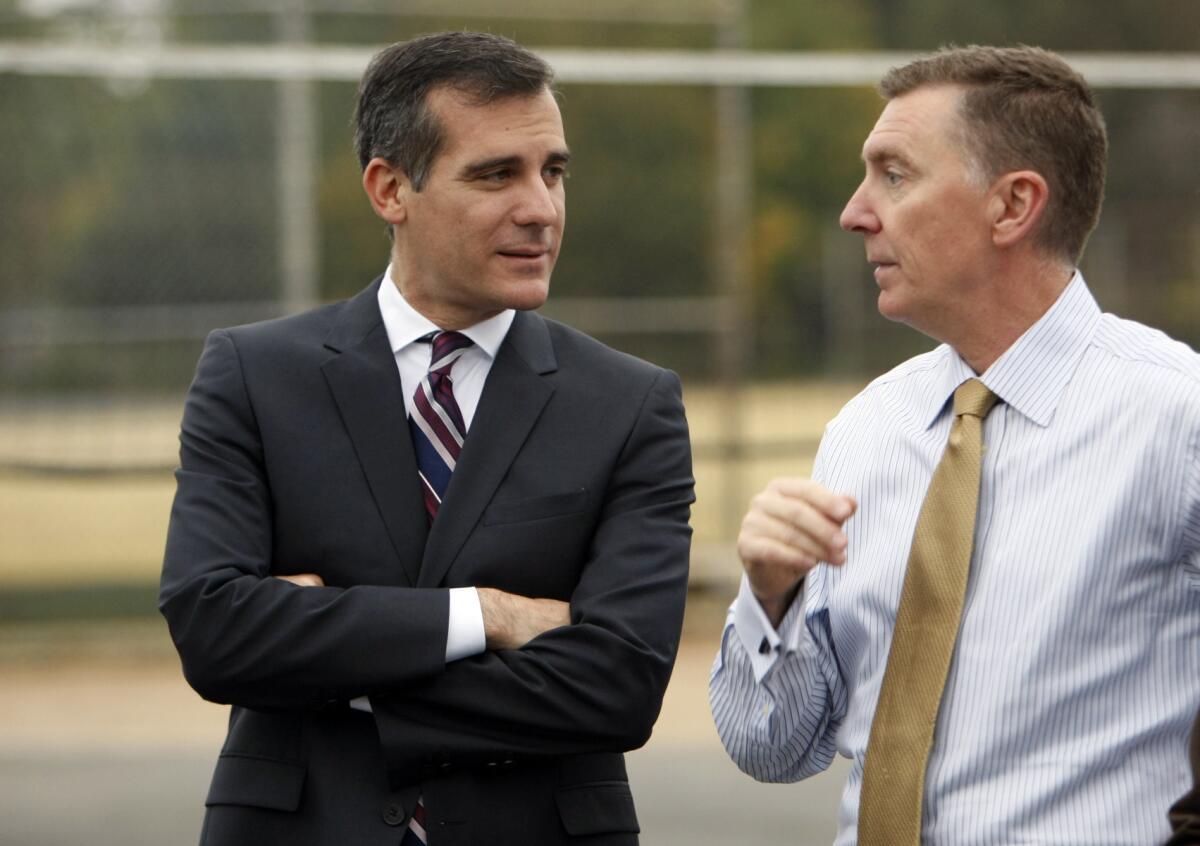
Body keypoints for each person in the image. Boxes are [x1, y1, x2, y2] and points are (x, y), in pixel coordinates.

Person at [160, 31, 693, 846]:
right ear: (389, 189)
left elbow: (617, 686)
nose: (541, 208)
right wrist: (483, 616)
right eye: (495, 175)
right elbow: (216, 629)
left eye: (553, 172)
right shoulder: (254, 376)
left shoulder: (631, 404)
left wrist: (330, 665)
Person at [710, 44, 1200, 844]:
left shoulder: (1179, 417)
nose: (855, 211)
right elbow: (773, 750)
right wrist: (772, 600)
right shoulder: (866, 432)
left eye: (893, 175)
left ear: (1013, 206)